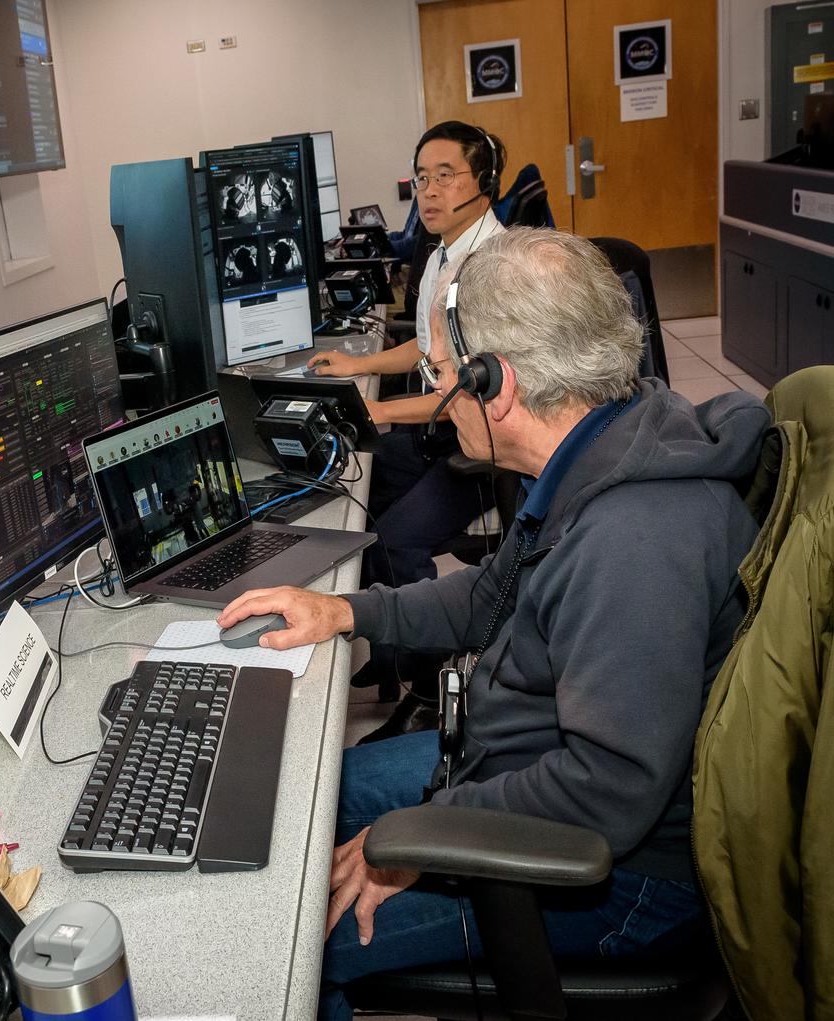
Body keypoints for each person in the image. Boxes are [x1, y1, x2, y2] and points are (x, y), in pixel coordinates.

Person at [218, 228, 770, 1021]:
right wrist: (346, 609)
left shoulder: (636, 541)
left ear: (496, 383)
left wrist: (416, 840)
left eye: (442, 375)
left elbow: (608, 793)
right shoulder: (604, 442)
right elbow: (488, 598)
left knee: (290, 942)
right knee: (300, 799)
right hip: (518, 756)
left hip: (621, 874)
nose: (438, 399)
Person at [313, 122, 510, 699]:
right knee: (358, 493)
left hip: (480, 448)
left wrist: (385, 414)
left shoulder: (487, 272)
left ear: (485, 182)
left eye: (446, 177)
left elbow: (465, 397)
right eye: (422, 178)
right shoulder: (444, 253)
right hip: (438, 433)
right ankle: (393, 651)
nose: (429, 191)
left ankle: (429, 679)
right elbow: (428, 351)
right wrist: (360, 368)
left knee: (396, 536)